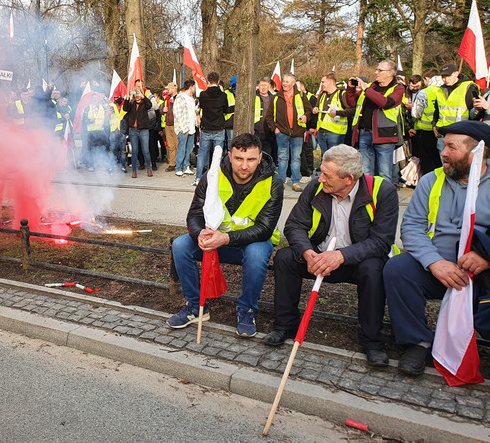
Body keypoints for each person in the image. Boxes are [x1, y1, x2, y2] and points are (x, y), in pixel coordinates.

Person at [265, 144, 399, 367]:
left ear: (349, 179)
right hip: (318, 257)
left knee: (374, 269)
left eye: (327, 175)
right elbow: (295, 225)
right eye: (321, 172)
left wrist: (341, 256)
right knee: (285, 258)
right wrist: (308, 253)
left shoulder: (382, 191)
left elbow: (381, 242)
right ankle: (285, 326)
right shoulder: (317, 188)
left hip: (356, 260)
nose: (321, 179)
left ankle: (372, 341)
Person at [384, 120, 490, 376]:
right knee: (398, 268)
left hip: (483, 275)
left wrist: (487, 259)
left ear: (476, 153)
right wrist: (434, 262)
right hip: (440, 268)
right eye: (443, 145)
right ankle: (417, 341)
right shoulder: (432, 180)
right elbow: (411, 228)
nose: (442, 151)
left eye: (451, 147)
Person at [168, 133, 284, 335]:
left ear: (260, 158)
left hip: (253, 242)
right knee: (180, 245)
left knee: (257, 255)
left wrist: (227, 238)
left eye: (251, 160)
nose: (244, 166)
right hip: (217, 241)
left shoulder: (273, 182)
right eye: (239, 159)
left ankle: (247, 310)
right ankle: (196, 306)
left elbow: (265, 228)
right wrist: (199, 234)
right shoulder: (213, 175)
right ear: (230, 156)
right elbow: (194, 214)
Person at [347, 60, 405, 182]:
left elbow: (385, 103)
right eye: (376, 69)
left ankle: (384, 200)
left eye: (380, 70)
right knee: (366, 173)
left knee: (384, 174)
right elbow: (352, 103)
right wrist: (350, 89)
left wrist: (366, 90)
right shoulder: (371, 87)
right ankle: (368, 199)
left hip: (384, 135)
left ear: (390, 73)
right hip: (365, 134)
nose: (376, 72)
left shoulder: (398, 88)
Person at [265, 73, 312, 192]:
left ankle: (295, 182)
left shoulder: (301, 95)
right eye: (284, 81)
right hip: (281, 132)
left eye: (287, 82)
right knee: (282, 157)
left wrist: (306, 116)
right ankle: (282, 180)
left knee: (296, 158)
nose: (284, 84)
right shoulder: (276, 97)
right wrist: (274, 128)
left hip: (298, 132)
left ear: (293, 83)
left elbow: (309, 111)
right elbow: (269, 116)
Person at [435, 64, 481, 154]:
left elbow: (474, 113)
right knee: (445, 165)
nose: (446, 79)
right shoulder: (440, 89)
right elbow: (437, 110)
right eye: (443, 77)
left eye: (448, 76)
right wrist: (434, 126)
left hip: (461, 134)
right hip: (443, 134)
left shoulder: (469, 87)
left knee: (460, 165)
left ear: (456, 73)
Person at [196, 72, 229, 187]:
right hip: (219, 127)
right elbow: (225, 110)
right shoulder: (223, 95)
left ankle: (198, 178)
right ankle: (216, 177)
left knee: (202, 154)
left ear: (208, 82)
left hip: (206, 127)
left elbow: (202, 107)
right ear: (219, 82)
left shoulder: (203, 95)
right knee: (218, 154)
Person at [409, 68, 443, 175]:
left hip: (426, 131)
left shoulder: (424, 92)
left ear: (427, 79)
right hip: (442, 130)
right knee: (439, 161)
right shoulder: (444, 91)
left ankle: (429, 186)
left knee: (427, 162)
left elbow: (416, 113)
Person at [313, 72, 350, 155]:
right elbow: (317, 106)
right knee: (325, 157)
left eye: (323, 82)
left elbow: (351, 111)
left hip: (335, 133)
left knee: (334, 158)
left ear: (329, 82)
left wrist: (337, 113)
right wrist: (315, 109)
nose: (321, 84)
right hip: (321, 131)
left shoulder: (342, 94)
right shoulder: (322, 94)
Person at [122, 89, 154, 177]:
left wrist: (144, 97)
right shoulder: (131, 104)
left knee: (146, 151)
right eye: (135, 94)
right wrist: (127, 99)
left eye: (138, 94)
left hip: (143, 130)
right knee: (134, 151)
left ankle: (148, 169)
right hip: (133, 130)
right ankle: (134, 171)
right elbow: (125, 108)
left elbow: (150, 105)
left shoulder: (145, 104)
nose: (137, 96)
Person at [174, 80, 197, 177]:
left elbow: (193, 112)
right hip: (184, 128)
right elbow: (178, 114)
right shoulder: (180, 98)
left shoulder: (192, 99)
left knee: (189, 148)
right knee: (182, 148)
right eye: (194, 87)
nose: (195, 89)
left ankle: (186, 166)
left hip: (192, 128)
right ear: (191, 87)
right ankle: (178, 167)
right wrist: (184, 129)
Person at [254, 77, 276, 162]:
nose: (263, 87)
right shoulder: (253, 97)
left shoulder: (273, 98)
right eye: (261, 85)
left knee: (268, 154)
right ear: (258, 86)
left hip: (269, 130)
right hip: (256, 129)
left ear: (269, 86)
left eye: (265, 85)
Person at [162, 83, 178, 172]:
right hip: (168, 125)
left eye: (168, 89)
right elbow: (161, 110)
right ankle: (172, 164)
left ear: (173, 89)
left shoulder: (178, 98)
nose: (167, 91)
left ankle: (179, 163)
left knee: (177, 145)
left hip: (176, 124)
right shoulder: (167, 99)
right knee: (170, 146)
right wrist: (162, 110)